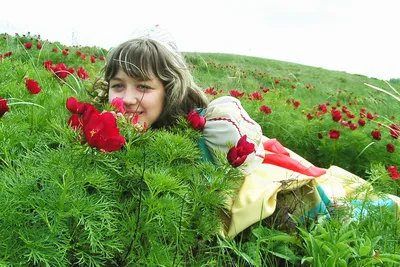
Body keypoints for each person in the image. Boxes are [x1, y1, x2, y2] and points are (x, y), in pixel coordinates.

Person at [95, 31, 400, 239]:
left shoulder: (202, 128)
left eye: (143, 87)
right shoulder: (117, 133)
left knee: (333, 220)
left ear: (169, 90)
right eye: (118, 85)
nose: (128, 97)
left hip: (277, 199)